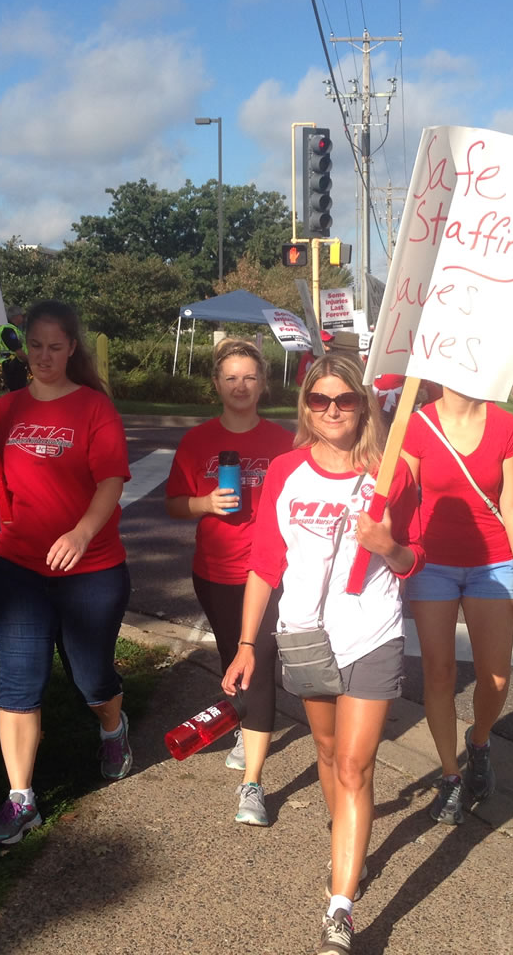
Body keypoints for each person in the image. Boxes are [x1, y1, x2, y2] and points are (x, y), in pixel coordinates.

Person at [222, 352, 424, 955]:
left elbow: (413, 559)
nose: (332, 410)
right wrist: (246, 645)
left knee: (355, 766)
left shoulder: (393, 474)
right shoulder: (286, 471)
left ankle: (340, 907)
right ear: (306, 407)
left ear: (363, 405)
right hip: (306, 635)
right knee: (330, 753)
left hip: (373, 631)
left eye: (344, 399)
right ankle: (349, 842)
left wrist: (387, 543)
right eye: (319, 400)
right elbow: (264, 564)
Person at [0, 300, 132, 845]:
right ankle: (21, 799)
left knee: (91, 678)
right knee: (17, 680)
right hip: (18, 567)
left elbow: (110, 481)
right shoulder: (7, 408)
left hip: (92, 566)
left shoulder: (93, 408)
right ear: (23, 346)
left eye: (55, 347)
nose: (44, 356)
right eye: (35, 346)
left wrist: (81, 533)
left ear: (71, 349)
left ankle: (113, 727)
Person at [165, 337, 293, 826]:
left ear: (263, 383)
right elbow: (176, 503)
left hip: (268, 572)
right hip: (214, 572)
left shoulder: (284, 442)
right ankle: (244, 722)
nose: (241, 385)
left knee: (255, 662)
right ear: (217, 384)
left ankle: (252, 786)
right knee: (231, 657)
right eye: (231, 377)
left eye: (250, 376)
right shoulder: (198, 441)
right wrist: (205, 503)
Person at [401, 386, 513, 826]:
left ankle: (479, 742)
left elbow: (511, 502)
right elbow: (403, 494)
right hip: (432, 564)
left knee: (495, 677)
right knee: (438, 671)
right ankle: (451, 774)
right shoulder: (418, 423)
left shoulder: (504, 425)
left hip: (492, 562)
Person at [0, 305, 28, 391]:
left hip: (12, 364)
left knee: (18, 393)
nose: (23, 318)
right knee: (17, 392)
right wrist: (30, 362)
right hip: (13, 365)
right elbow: (18, 351)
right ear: (16, 316)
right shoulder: (8, 330)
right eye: (22, 315)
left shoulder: (12, 329)